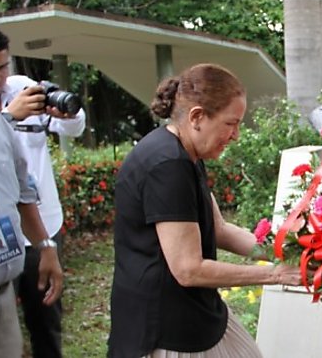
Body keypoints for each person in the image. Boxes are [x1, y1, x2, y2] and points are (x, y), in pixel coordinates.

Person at [108, 63, 301, 358]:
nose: (236, 134)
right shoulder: (167, 165)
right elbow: (189, 269)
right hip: (165, 328)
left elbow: (221, 230)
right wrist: (276, 275)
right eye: (230, 123)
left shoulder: (186, 154)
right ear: (197, 117)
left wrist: (289, 249)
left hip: (196, 313)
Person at [0, 21, 85, 358]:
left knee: (46, 321)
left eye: (2, 66)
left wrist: (66, 112)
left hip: (42, 226)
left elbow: (74, 127)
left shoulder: (23, 88)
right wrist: (10, 116)